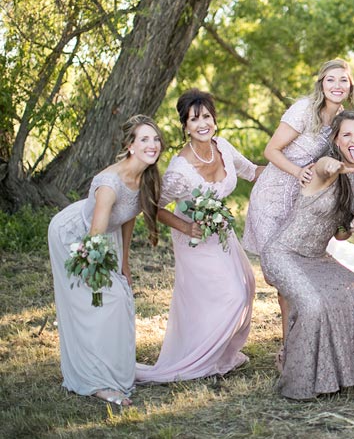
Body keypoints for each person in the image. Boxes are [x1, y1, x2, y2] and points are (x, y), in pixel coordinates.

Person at [262, 110, 354, 399]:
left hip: (318, 258)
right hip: (284, 253)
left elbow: (339, 233)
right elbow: (325, 167)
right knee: (313, 306)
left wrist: (353, 224)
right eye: (346, 134)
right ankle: (296, 377)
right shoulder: (322, 168)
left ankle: (350, 373)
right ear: (336, 140)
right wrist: (334, 166)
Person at [136, 89, 263, 383]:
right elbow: (153, 206)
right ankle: (198, 360)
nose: (202, 123)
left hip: (219, 232)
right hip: (191, 236)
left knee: (246, 287)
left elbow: (253, 171)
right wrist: (186, 227)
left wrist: (293, 171)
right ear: (185, 126)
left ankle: (218, 355)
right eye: (194, 119)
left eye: (206, 116)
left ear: (214, 119)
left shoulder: (224, 148)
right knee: (231, 294)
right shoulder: (180, 168)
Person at [243, 59, 354, 365]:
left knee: (296, 273)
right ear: (321, 83)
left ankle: (301, 346)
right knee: (283, 278)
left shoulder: (341, 120)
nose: (336, 85)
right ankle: (289, 352)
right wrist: (298, 172)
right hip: (272, 195)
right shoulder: (304, 109)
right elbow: (271, 150)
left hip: (300, 202)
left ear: (349, 86)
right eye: (330, 79)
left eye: (343, 80)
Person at [48, 115, 163, 406]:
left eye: (156, 139)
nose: (153, 145)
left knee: (120, 298)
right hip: (74, 236)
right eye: (144, 139)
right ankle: (96, 381)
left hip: (103, 233)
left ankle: (113, 368)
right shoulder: (110, 184)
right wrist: (93, 275)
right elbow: (94, 235)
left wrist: (124, 263)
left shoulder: (144, 176)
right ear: (130, 146)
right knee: (100, 302)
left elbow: (127, 218)